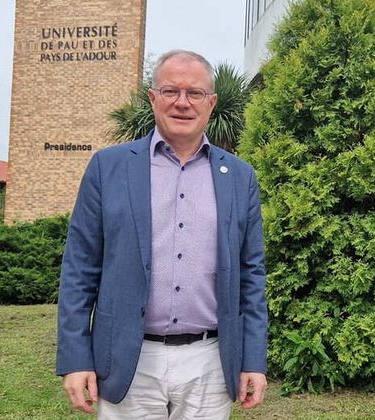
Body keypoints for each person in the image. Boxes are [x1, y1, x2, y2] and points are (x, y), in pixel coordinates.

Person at [55, 49, 268, 419]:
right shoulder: (109, 168)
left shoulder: (239, 176)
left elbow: (252, 276)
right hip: (127, 356)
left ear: (211, 103)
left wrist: (253, 360)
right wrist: (76, 358)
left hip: (210, 361)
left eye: (195, 93)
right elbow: (79, 269)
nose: (182, 103)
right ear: (153, 98)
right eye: (171, 91)